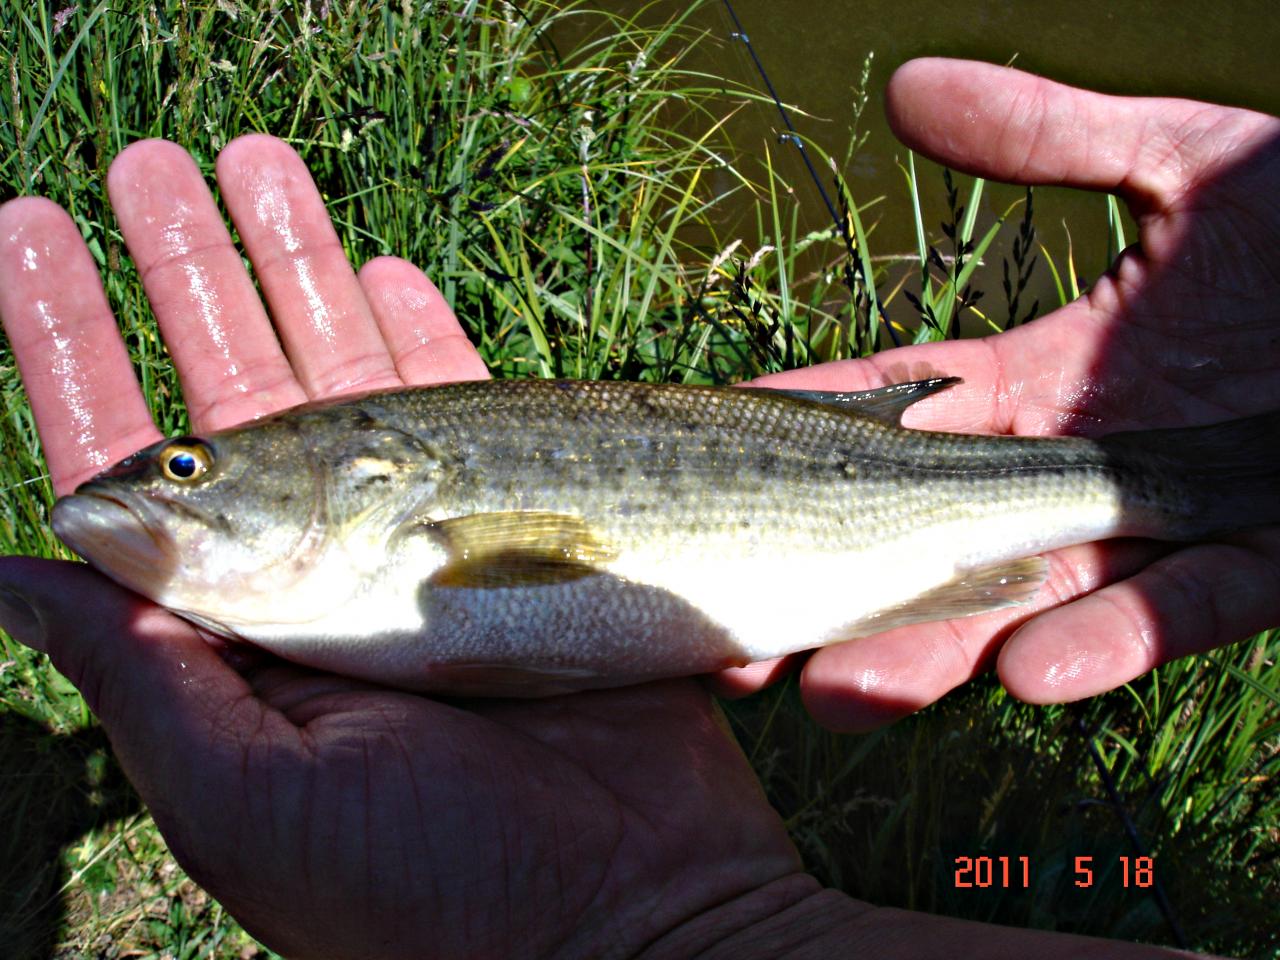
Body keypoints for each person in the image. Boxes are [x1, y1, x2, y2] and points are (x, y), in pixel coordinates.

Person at [0, 58, 1273, 958]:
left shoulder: (376, 535)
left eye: (182, 470)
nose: (154, 489)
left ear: (371, 475)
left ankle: (1195, 479)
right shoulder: (330, 577)